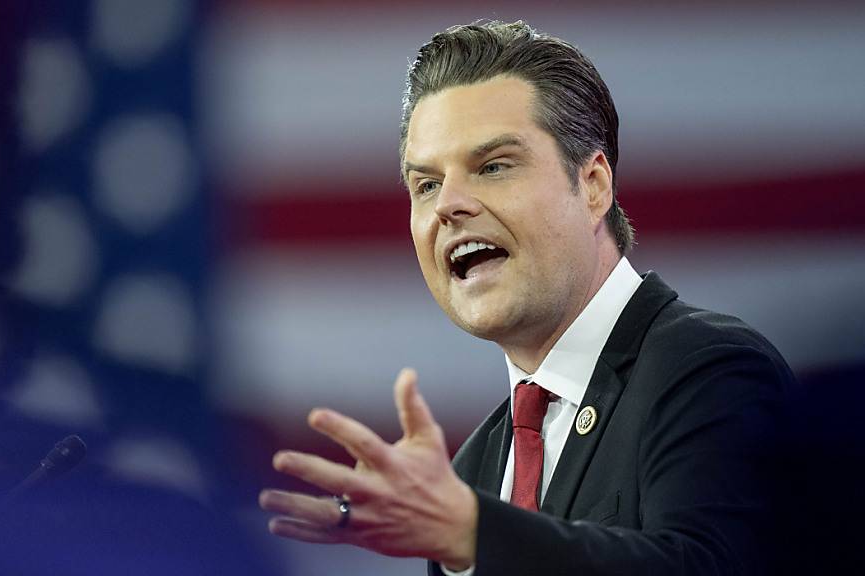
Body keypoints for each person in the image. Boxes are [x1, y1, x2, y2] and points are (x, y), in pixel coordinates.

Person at [259, 20, 795, 575]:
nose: (450, 205)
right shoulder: (475, 470)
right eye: (426, 185)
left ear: (592, 185)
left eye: (492, 167)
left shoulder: (709, 371)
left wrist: (472, 532)